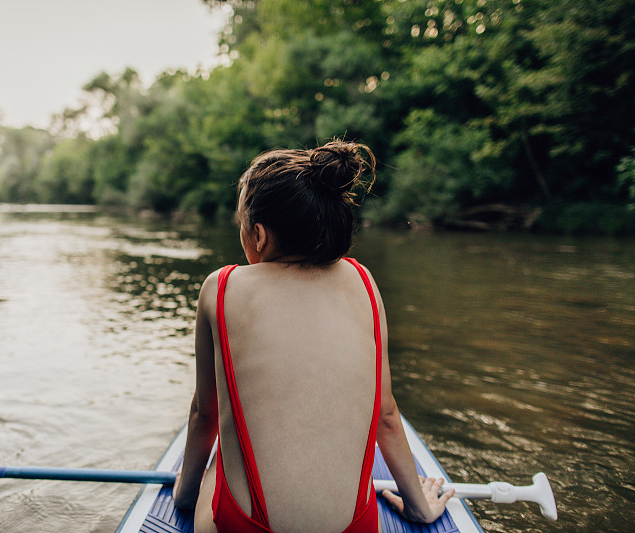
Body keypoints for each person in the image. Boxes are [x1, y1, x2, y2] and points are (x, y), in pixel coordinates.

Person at [173, 139, 454, 533]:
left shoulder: (220, 288)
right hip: (354, 528)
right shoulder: (363, 281)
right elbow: (386, 416)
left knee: (221, 458)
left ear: (258, 235)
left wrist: (184, 497)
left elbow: (205, 415)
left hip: (248, 527)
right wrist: (420, 509)